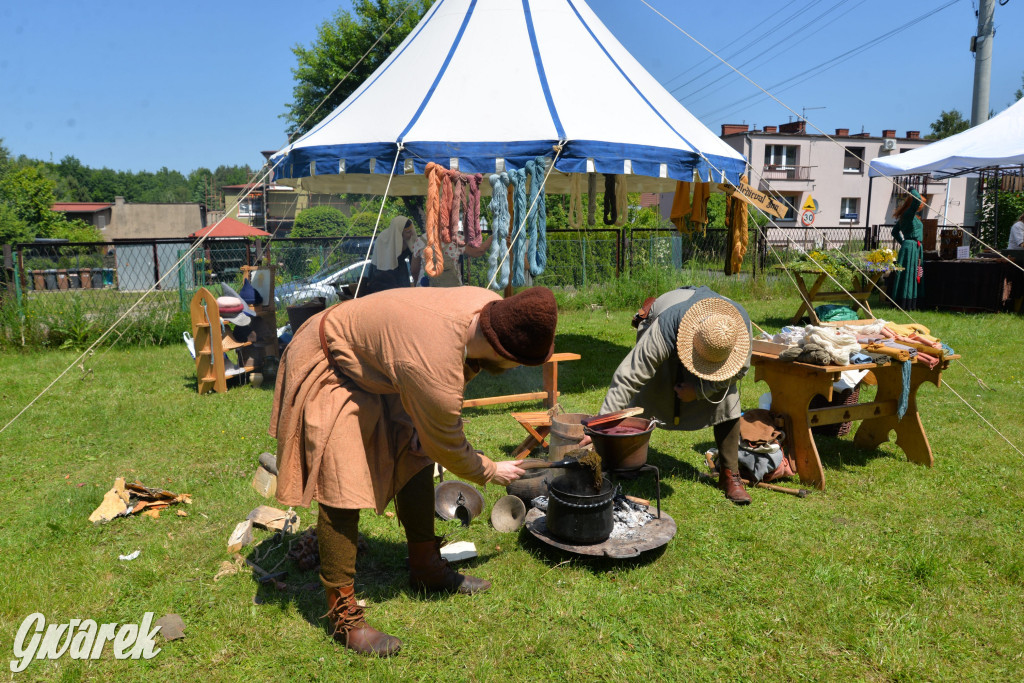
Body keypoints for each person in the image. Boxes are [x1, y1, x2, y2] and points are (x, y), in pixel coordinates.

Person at [269, 286, 558, 656]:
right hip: (330, 358)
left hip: (380, 361)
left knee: (414, 452)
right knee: (340, 480)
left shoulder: (487, 304)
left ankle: (425, 567)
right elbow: (447, 445)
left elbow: (436, 420)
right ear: (505, 352)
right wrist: (490, 470)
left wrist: (429, 430)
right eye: (521, 364)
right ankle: (343, 615)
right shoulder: (434, 366)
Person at [598, 286, 753, 505]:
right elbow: (629, 376)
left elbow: (740, 370)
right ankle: (624, 461)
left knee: (727, 397)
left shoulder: (739, 326)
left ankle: (730, 475)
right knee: (644, 393)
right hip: (667, 320)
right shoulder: (666, 326)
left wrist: (700, 390)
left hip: (705, 338)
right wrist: (601, 426)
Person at [410, 223, 493, 287]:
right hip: (452, 292)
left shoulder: (420, 241)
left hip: (426, 291)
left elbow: (414, 271)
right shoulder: (457, 240)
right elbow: (479, 251)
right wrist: (493, 237)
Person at [889, 189, 926, 310]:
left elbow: (894, 232)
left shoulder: (908, 216)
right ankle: (906, 302)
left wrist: (904, 243)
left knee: (912, 272)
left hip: (912, 247)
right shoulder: (909, 214)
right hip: (911, 247)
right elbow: (917, 200)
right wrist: (912, 189)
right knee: (909, 273)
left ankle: (907, 301)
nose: (921, 206)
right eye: (921, 204)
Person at [361, 216, 417, 294]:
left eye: (411, 231)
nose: (411, 234)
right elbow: (382, 263)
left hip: (401, 270)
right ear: (399, 232)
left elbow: (414, 260)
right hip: (382, 273)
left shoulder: (408, 239)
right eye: (408, 232)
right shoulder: (383, 239)